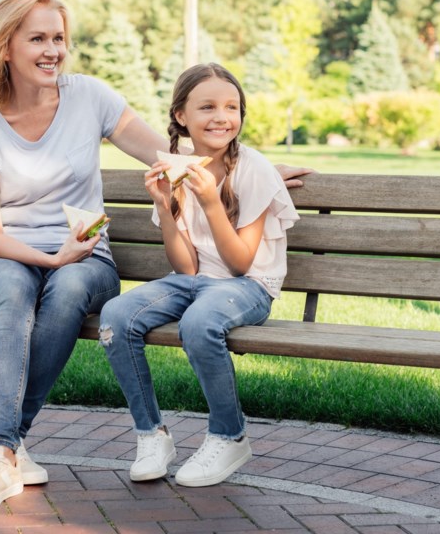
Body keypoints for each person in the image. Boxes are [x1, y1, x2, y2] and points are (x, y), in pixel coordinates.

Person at [0, 0, 309, 511]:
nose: (53, 50)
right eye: (37, 39)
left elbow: (167, 153)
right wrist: (51, 258)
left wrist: (245, 167)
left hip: (86, 260)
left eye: (59, 38)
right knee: (11, 289)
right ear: (6, 46)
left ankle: (4, 447)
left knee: (72, 288)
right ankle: (4, 451)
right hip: (7, 256)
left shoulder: (89, 97)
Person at [98, 62, 299, 488]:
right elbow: (185, 267)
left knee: (200, 322)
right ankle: (151, 435)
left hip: (247, 287)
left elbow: (241, 262)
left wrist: (209, 202)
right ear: (180, 116)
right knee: (116, 316)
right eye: (207, 107)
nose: (222, 116)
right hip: (193, 282)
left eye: (232, 107)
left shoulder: (254, 169)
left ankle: (230, 435)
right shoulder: (179, 168)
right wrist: (167, 206)